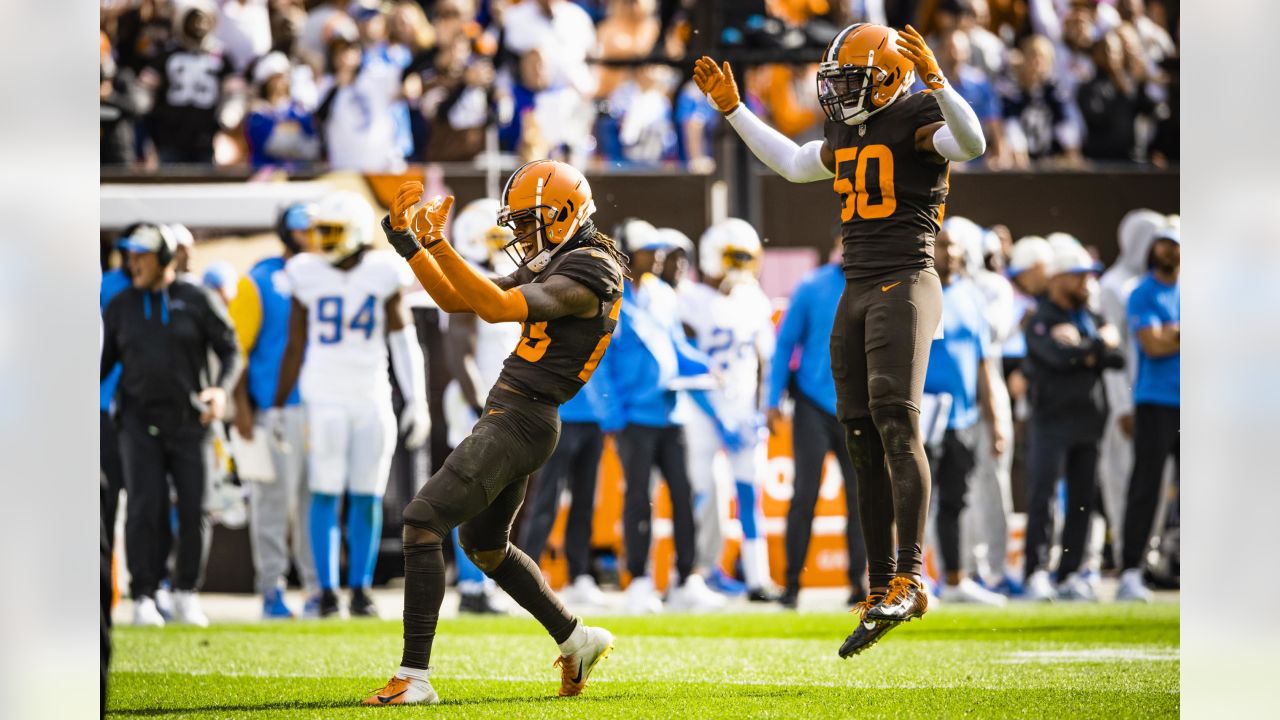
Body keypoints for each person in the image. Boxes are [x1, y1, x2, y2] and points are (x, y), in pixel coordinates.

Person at [694, 22, 987, 657]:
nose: (842, 95)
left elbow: (971, 141)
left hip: (905, 279)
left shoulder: (919, 110)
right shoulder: (848, 126)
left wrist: (940, 81)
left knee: (894, 420)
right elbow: (797, 165)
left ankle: (912, 576)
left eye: (854, 80)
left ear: (890, 78)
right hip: (855, 287)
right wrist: (735, 111)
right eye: (839, 82)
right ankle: (881, 583)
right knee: (858, 435)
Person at [365, 160, 622, 705]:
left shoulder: (592, 269)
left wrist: (440, 242)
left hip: (524, 417)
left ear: (565, 214)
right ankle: (577, 638)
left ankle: (414, 676)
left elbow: (495, 307)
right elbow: (458, 299)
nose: (522, 236)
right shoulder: (564, 259)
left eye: (531, 223)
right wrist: (411, 242)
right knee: (483, 546)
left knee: (421, 520)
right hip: (515, 414)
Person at [272, 191, 430, 619]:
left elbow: (403, 339)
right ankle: (326, 591)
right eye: (319, 230)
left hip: (369, 394)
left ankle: (359, 589)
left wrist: (417, 399)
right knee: (324, 491)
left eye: (330, 231)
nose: (320, 239)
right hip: (322, 396)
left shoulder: (382, 271)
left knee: (366, 494)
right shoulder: (304, 272)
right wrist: (277, 405)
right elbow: (295, 344)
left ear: (357, 233)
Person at [100, 223, 243, 628]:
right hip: (136, 420)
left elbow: (230, 349)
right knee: (146, 506)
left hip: (191, 420)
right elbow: (103, 363)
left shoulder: (196, 298)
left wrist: (220, 390)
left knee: (196, 506)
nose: (132, 262)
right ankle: (144, 593)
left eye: (141, 255)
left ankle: (185, 592)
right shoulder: (120, 305)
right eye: (130, 255)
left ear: (163, 257)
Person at [600, 220, 727, 614]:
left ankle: (687, 577)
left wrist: (707, 367)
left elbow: (676, 348)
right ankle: (638, 580)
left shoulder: (662, 295)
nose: (656, 256)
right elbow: (601, 363)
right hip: (634, 419)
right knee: (639, 499)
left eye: (658, 249)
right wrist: (613, 414)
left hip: (672, 414)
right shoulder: (612, 296)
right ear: (626, 252)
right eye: (647, 249)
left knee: (683, 496)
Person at [228, 203, 322, 619]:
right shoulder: (259, 280)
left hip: (322, 408)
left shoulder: (329, 274)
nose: (310, 236)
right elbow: (235, 351)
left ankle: (320, 590)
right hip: (272, 410)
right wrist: (241, 406)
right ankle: (271, 590)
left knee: (315, 504)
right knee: (270, 504)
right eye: (303, 229)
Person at [679, 218, 779, 602]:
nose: (739, 266)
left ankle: (758, 577)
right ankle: (701, 573)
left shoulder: (754, 299)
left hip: (743, 411)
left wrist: (760, 411)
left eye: (745, 257)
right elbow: (688, 366)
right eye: (733, 256)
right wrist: (717, 415)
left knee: (750, 494)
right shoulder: (689, 299)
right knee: (704, 493)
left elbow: (765, 362)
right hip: (701, 412)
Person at [767, 236, 868, 610]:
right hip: (813, 405)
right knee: (804, 495)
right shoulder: (811, 286)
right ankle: (792, 584)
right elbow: (784, 343)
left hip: (859, 406)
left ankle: (859, 584)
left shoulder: (875, 283)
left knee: (862, 498)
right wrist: (772, 397)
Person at [1021, 241, 1124, 602]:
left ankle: (1070, 573)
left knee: (1083, 501)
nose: (1086, 284)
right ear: (1059, 279)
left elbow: (1118, 359)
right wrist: (1096, 347)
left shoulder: (1090, 317)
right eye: (1079, 277)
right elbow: (1055, 358)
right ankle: (1035, 572)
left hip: (1090, 421)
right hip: (1051, 420)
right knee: (1043, 498)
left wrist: (1084, 346)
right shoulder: (1040, 318)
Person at [439, 199, 522, 614]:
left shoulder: (500, 280)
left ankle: (482, 584)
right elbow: (460, 353)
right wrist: (482, 407)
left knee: (492, 497)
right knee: (471, 496)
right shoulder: (471, 279)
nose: (506, 244)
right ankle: (472, 587)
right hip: (477, 403)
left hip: (497, 403)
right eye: (495, 237)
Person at [921, 226, 1008, 607]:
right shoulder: (919, 291)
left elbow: (983, 363)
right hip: (921, 414)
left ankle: (954, 580)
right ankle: (913, 580)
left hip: (962, 417)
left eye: (954, 245)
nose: (950, 251)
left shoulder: (973, 296)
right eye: (942, 244)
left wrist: (995, 418)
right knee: (917, 500)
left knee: (955, 500)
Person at [1097, 210, 1167, 569]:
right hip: (1127, 400)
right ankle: (1128, 555)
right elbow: (1115, 353)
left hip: (1157, 397)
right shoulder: (1113, 285)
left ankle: (1147, 553)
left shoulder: (1161, 286)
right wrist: (1122, 405)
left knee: (1157, 482)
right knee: (1124, 480)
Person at [1117, 225, 1180, 602]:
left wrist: (1172, 332)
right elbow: (1152, 345)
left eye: (1174, 245)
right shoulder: (1141, 292)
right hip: (1155, 401)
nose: (1167, 252)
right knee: (1145, 487)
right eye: (1162, 244)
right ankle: (1129, 569)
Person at [141, 1, 238, 164]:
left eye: (203, 20)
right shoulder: (167, 54)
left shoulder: (221, 57)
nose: (199, 26)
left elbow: (235, 94)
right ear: (182, 22)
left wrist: (227, 117)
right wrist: (151, 117)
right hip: (169, 138)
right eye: (193, 20)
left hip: (205, 138)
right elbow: (144, 89)